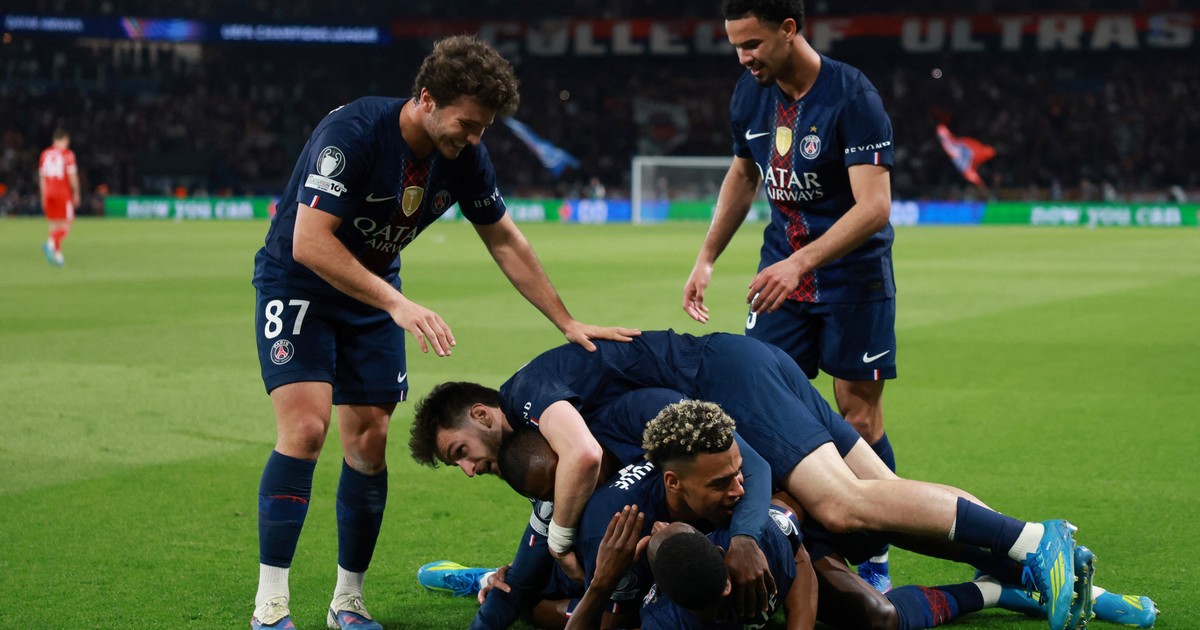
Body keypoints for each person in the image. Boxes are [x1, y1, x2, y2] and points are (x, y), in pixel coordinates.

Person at [248, 34, 639, 630]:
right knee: (305, 430)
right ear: (427, 99)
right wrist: (397, 304)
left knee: (370, 442)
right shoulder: (353, 134)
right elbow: (309, 241)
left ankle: (347, 602)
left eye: (483, 128)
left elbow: (504, 238)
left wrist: (565, 319)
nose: (474, 139)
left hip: (374, 292)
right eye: (467, 124)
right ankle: (270, 608)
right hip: (301, 283)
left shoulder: (464, 157)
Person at [409, 330, 1087, 630]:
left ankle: (1035, 540)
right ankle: (1026, 566)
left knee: (845, 507)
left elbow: (581, 457)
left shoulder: (526, 392)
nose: (467, 468)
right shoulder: (569, 422)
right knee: (884, 501)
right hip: (742, 367)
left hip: (722, 382)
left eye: (460, 450)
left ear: (483, 414)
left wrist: (558, 538)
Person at [680, 0, 898, 590]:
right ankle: (784, 540)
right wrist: (707, 257)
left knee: (858, 415)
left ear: (789, 29)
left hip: (853, 280)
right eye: (735, 45)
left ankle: (875, 551)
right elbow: (744, 173)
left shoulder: (852, 95)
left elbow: (875, 207)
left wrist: (800, 263)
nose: (742, 57)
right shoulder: (749, 94)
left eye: (752, 44)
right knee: (754, 406)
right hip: (780, 277)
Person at [38, 127, 80, 267]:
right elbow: (72, 176)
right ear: (63, 140)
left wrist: (43, 196)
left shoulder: (44, 154)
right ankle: (50, 245)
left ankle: (58, 257)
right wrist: (76, 192)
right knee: (67, 225)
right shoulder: (67, 154)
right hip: (62, 193)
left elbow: (42, 178)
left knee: (54, 226)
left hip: (49, 193)